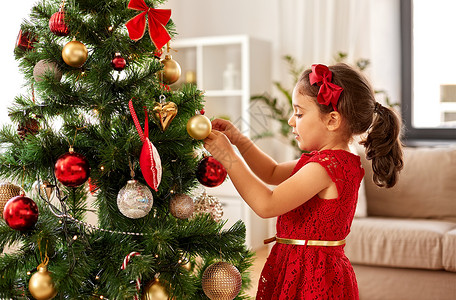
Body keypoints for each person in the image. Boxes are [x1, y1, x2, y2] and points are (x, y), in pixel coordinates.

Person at [203, 63, 404, 299]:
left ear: (332, 120)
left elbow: (266, 204)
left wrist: (227, 156)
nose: (291, 121)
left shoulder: (324, 167)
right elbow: (272, 172)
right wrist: (238, 139)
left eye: (299, 113)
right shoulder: (334, 161)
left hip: (310, 276)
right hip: (300, 267)